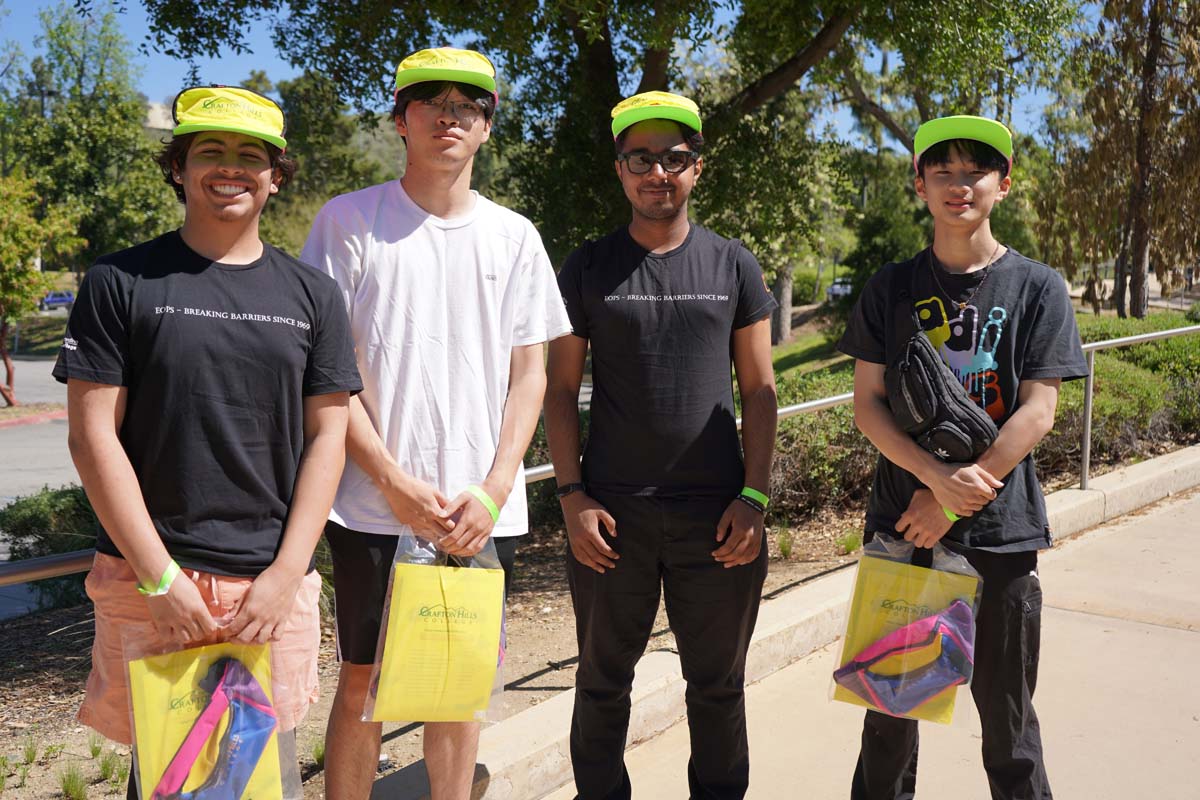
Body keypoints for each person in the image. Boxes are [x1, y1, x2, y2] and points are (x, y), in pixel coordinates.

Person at [53, 84, 362, 798]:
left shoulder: (313, 295)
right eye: (210, 151)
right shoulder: (119, 281)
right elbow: (91, 436)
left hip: (269, 588)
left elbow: (328, 438)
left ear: (277, 175)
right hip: (153, 581)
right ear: (180, 167)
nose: (231, 167)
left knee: (260, 780)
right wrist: (159, 576)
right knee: (168, 781)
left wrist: (287, 574)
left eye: (252, 155)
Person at [300, 47, 572, 800]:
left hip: (479, 514)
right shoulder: (347, 223)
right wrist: (391, 480)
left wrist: (490, 490)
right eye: (431, 101)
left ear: (487, 128)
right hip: (368, 506)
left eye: (470, 105)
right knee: (363, 680)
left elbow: (531, 377)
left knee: (461, 688)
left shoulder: (516, 237)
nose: (451, 115)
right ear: (400, 119)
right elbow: (327, 376)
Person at [837, 115, 1089, 800]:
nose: (959, 185)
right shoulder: (890, 287)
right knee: (889, 720)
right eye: (942, 171)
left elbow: (1039, 408)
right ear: (919, 183)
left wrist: (951, 496)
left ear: (1003, 184)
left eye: (974, 170)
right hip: (904, 528)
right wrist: (930, 480)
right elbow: (869, 404)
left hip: (1001, 536)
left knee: (1008, 731)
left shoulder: (1038, 288)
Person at [545, 91, 779, 800]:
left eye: (674, 158)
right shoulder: (587, 268)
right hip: (612, 518)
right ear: (620, 169)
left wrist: (755, 495)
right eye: (641, 157)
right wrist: (571, 496)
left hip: (720, 519)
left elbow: (761, 391)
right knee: (602, 685)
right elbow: (559, 391)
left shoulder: (733, 265)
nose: (658, 171)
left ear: (696, 168)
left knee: (716, 687)